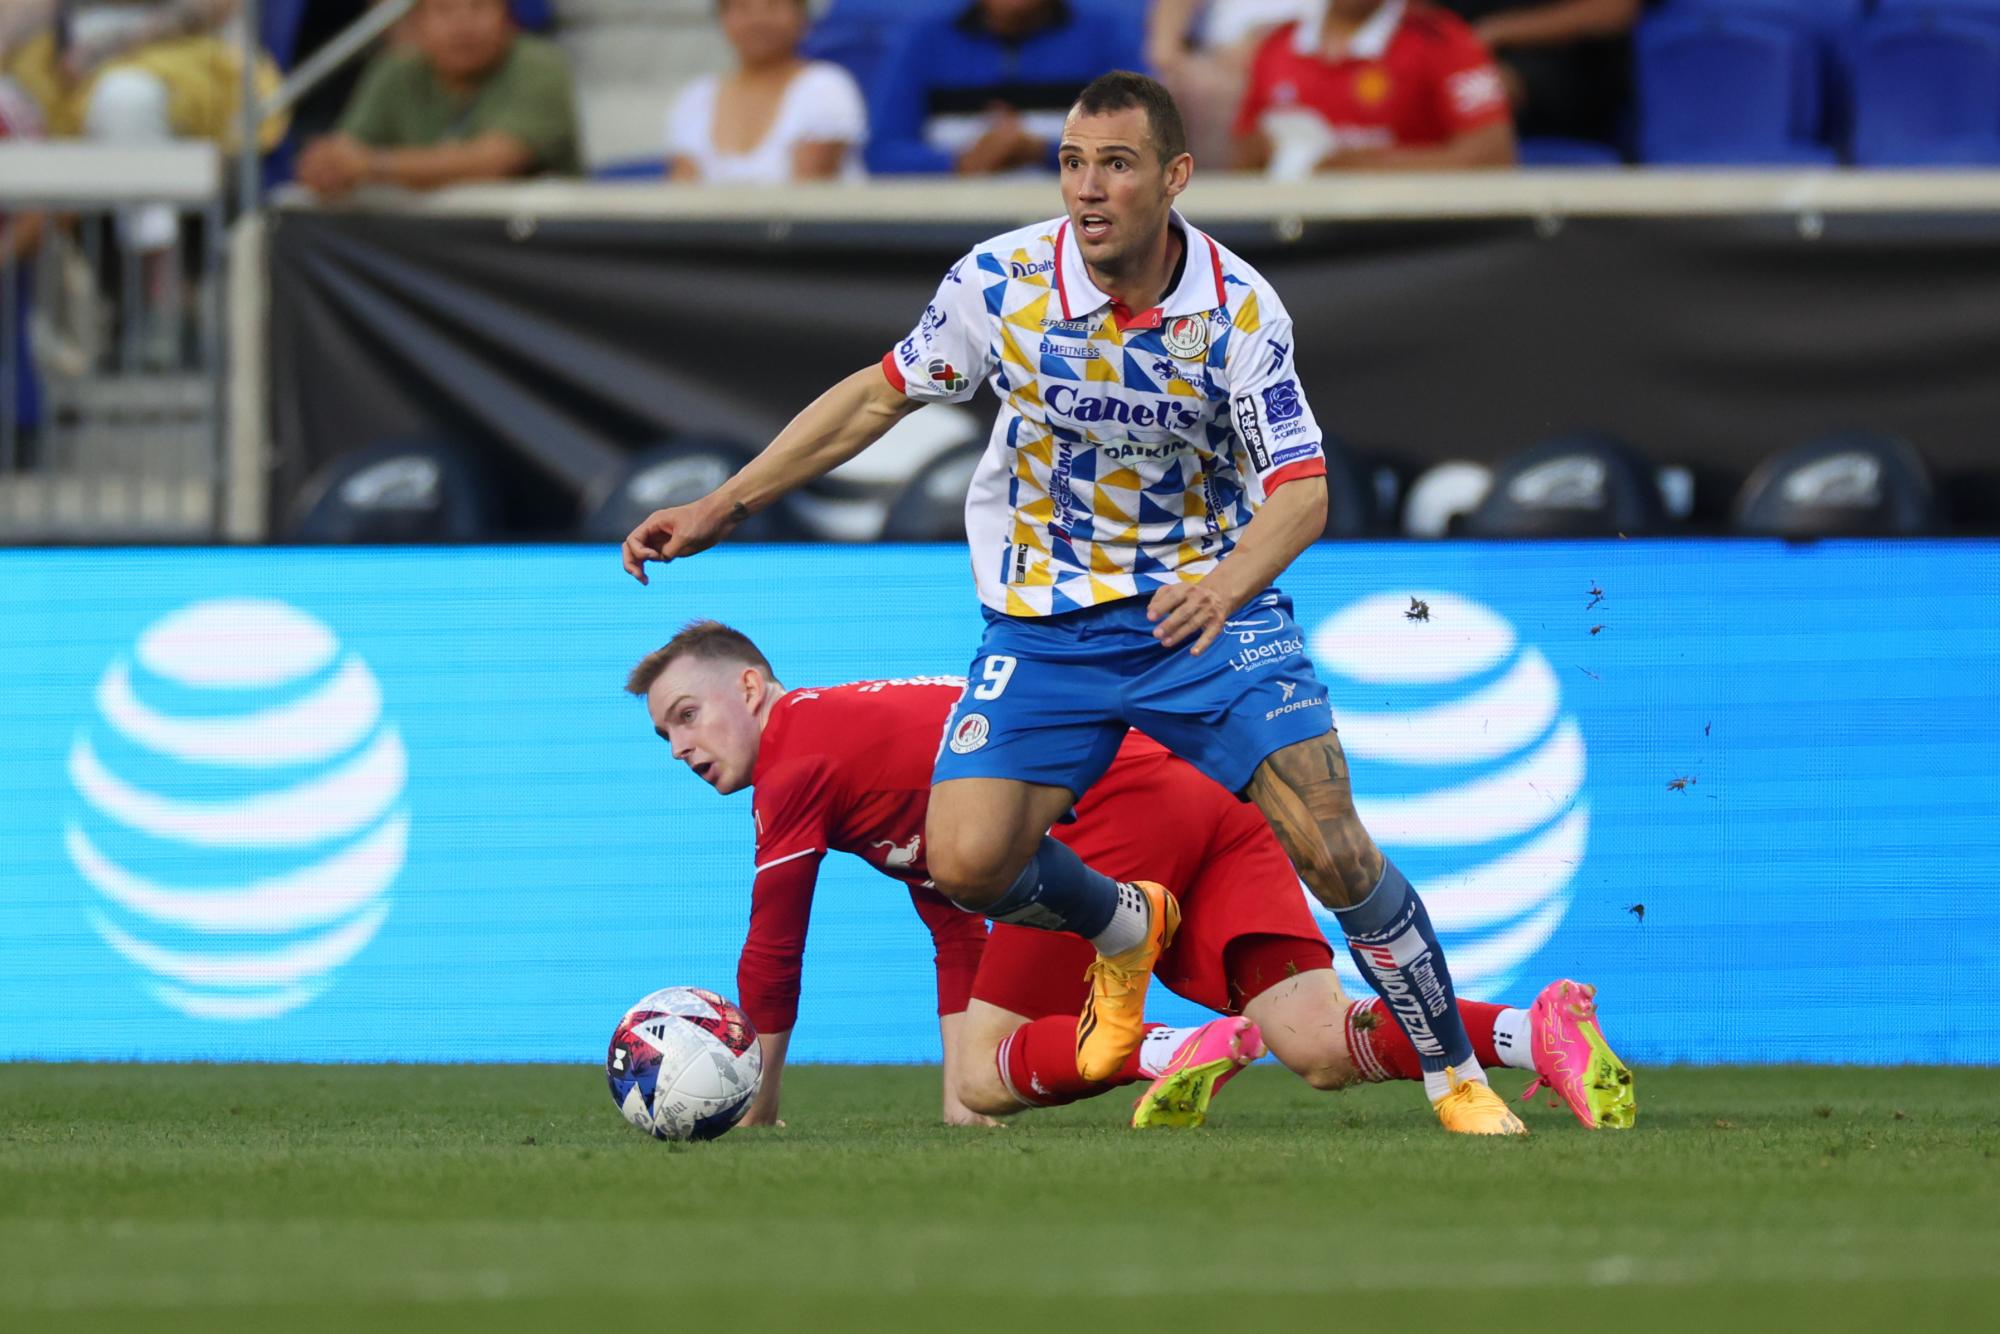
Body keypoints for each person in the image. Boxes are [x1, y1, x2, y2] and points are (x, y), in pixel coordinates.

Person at [621, 71, 1525, 1135]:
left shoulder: (1238, 310)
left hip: (1205, 611)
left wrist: (1223, 585)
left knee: (1332, 846)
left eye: (1116, 164)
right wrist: (726, 502)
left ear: (1175, 177)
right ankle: (1123, 923)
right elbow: (875, 396)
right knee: (966, 862)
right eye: (1072, 163)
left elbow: (1302, 492)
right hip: (1045, 625)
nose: (1088, 188)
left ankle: (1456, 1075)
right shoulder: (999, 282)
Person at [624, 620, 1638, 1132]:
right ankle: (1531, 1031)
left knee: (992, 1067)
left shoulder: (796, 752)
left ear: (752, 686)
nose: (679, 745)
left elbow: (774, 947)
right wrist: (959, 1104)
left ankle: (1169, 1048)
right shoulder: (851, 750)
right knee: (1316, 1043)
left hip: (1113, 809)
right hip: (1197, 791)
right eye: (665, 733)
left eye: (686, 715)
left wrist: (756, 1105)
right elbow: (955, 922)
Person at [296, 0, 579, 200]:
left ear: (508, 17)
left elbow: (493, 162)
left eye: (479, 7)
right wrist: (326, 166)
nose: (463, 26)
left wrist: (375, 165)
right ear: (417, 23)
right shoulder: (395, 71)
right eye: (445, 9)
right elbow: (346, 150)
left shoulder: (540, 67)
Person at [1233, 0, 1516, 176]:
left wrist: (1360, 167)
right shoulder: (1277, 46)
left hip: (1415, 239)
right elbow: (1242, 161)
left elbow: (1493, 156)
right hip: (1297, 238)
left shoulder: (1444, 41)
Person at [866, 0, 1141, 177]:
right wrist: (960, 162)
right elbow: (882, 153)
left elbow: (1138, 143)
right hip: (950, 229)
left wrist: (1043, 151)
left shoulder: (1107, 37)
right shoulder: (923, 41)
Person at [664, 0, 867, 185]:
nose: (758, 20)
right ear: (723, 18)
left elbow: (807, 194)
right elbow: (683, 194)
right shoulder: (696, 98)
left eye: (773, 6)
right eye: (743, 8)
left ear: (802, 17)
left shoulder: (825, 87)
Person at [1434, 0, 1635, 145]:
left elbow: (1614, 8)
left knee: (1480, 89)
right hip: (1455, 52)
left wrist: (1497, 32)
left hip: (1561, 61)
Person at [1145, 0, 1313, 167]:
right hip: (1218, 59)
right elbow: (1163, 52)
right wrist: (1167, 55)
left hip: (1299, 54)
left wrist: (1265, 45)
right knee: (1187, 89)